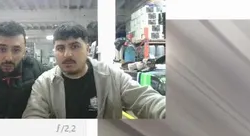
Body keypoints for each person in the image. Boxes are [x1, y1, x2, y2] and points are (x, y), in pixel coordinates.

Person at [22, 24, 165, 120]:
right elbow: (33, 118)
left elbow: (146, 100)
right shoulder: (45, 83)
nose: (67, 54)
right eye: (60, 48)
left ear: (88, 49)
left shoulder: (112, 76)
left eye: (75, 46)